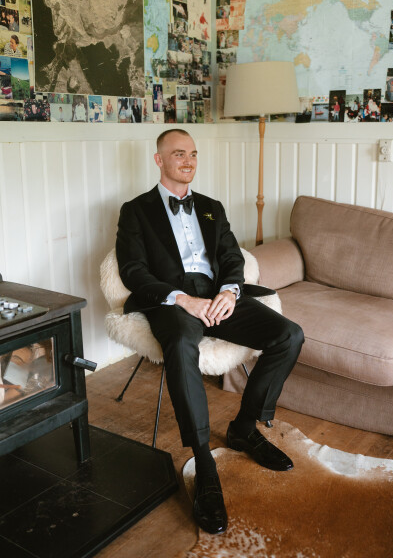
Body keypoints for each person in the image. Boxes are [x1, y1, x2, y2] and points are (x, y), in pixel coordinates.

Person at [116, 129, 304, 535]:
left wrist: (230, 291)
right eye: (178, 154)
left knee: (289, 335)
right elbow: (132, 270)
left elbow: (231, 256)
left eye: (193, 154)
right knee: (182, 344)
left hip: (218, 296)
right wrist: (183, 300)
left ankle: (244, 428)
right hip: (174, 302)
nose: (188, 161)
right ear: (159, 160)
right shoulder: (135, 211)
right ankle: (203, 463)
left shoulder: (211, 207)